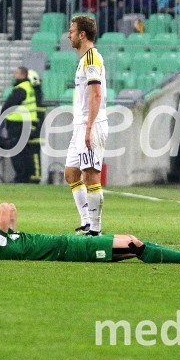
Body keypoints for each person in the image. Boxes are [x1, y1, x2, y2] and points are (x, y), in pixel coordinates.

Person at [0, 203, 180, 264]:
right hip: (72, 249)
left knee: (132, 245)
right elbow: (3, 207)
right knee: (133, 243)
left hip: (71, 246)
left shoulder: (1, 242)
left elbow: (10, 209)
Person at [65, 16, 108, 236]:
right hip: (80, 125)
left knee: (91, 175)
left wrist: (90, 128)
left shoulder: (92, 59)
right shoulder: (84, 59)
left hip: (91, 124)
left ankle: (96, 230)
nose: (68, 35)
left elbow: (96, 94)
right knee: (71, 173)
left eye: (71, 31)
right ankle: (86, 222)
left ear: (82, 34)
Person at [2, 67, 38, 184]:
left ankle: (21, 177)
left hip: (18, 125)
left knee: (16, 152)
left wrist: (3, 113)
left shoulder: (20, 89)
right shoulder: (28, 87)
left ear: (22, 75)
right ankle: (27, 176)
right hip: (27, 124)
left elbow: (9, 105)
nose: (14, 75)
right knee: (25, 152)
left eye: (16, 73)